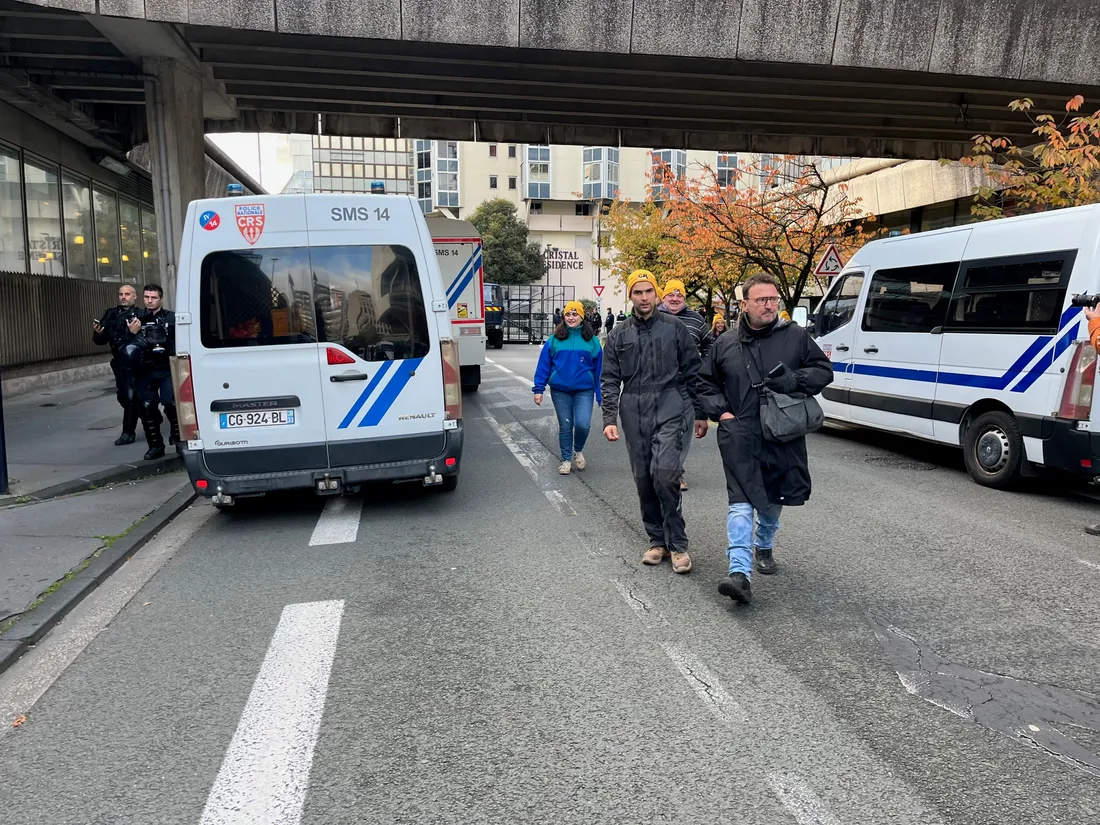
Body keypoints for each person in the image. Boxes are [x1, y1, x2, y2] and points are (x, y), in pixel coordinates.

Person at [698, 274, 833, 605]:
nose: (770, 305)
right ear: (745, 304)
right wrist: (722, 414)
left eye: (773, 299)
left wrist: (795, 380)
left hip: (782, 431)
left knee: (774, 499)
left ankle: (765, 543)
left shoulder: (796, 336)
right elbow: (704, 383)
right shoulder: (726, 343)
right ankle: (739, 573)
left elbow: (823, 372)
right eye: (762, 300)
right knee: (741, 500)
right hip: (739, 432)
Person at [602, 270, 708, 574]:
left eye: (649, 291)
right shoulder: (619, 334)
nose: (644, 297)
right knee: (643, 478)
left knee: (665, 473)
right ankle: (656, 540)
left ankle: (678, 544)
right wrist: (610, 417)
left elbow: (693, 371)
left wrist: (700, 412)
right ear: (631, 296)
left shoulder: (674, 328)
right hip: (633, 408)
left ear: (657, 294)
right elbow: (609, 379)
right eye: (638, 292)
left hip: (671, 403)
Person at [533, 300, 603, 475]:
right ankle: (565, 460)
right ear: (564, 317)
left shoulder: (592, 341)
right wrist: (538, 389)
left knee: (582, 424)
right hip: (560, 390)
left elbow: (599, 370)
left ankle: (578, 451)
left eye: (575, 314)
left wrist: (600, 394)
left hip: (584, 390)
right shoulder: (555, 340)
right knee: (565, 425)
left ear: (581, 317)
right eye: (568, 314)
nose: (571, 318)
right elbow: (544, 365)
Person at [659, 279, 714, 492]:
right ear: (663, 297)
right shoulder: (653, 317)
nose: (675, 299)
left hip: (687, 383)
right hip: (658, 385)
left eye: (679, 295)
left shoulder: (696, 319)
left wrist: (706, 362)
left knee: (684, 429)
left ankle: (676, 471)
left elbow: (709, 342)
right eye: (670, 295)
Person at [132, 283, 177, 460]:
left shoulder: (170, 318)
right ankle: (155, 445)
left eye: (154, 298)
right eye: (147, 297)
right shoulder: (136, 319)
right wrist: (134, 333)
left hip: (165, 367)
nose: (150, 301)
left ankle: (179, 438)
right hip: (145, 368)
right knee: (147, 407)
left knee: (171, 403)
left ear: (161, 298)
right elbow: (124, 346)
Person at [92, 284, 142, 445]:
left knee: (130, 397)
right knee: (124, 397)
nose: (123, 297)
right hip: (118, 362)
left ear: (134, 297)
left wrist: (134, 333)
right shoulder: (111, 314)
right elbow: (100, 341)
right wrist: (99, 332)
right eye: (121, 294)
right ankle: (147, 414)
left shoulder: (140, 315)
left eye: (127, 294)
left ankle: (128, 433)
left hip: (136, 362)